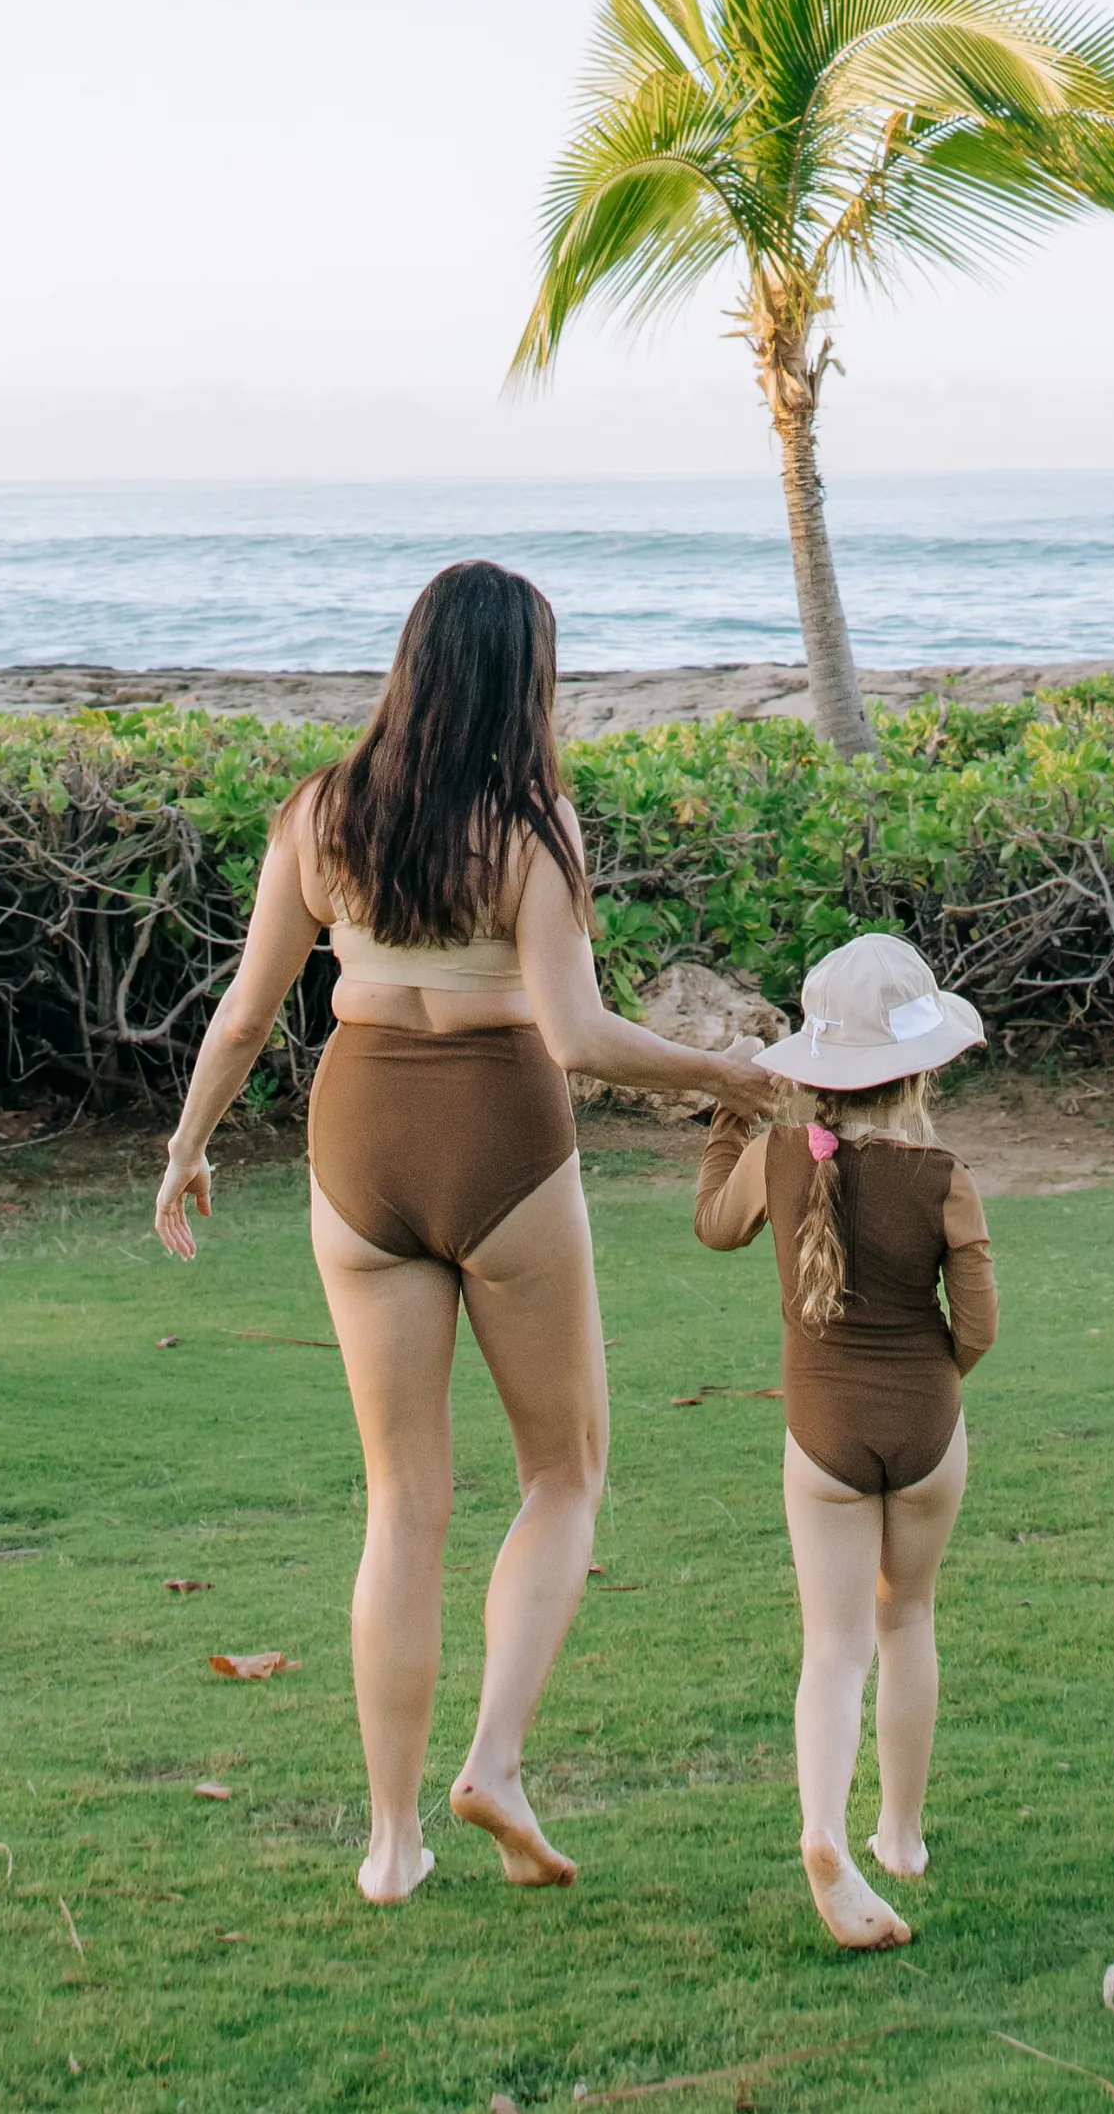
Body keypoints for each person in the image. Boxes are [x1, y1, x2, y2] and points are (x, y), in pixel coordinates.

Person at [151, 561, 776, 1906]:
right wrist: (728, 1075)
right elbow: (579, 1037)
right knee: (564, 1469)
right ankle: (492, 1758)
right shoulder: (534, 828)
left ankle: (389, 1845)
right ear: (522, 681)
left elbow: (248, 1014)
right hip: (499, 1132)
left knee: (403, 1503)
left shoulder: (322, 814)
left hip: (361, 1136)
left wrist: (188, 1145)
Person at [691, 933, 997, 1953]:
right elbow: (981, 1325)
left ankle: (824, 1828)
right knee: (907, 1620)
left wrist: (730, 1125)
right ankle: (900, 1837)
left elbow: (713, 1227)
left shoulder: (783, 1159)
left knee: (832, 1649)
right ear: (916, 1068)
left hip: (818, 1429)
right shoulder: (944, 1173)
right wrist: (934, 1380)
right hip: (924, 1425)